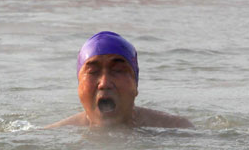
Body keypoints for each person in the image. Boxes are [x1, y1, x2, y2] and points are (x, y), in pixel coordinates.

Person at [47, 31, 193, 129]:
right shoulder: (53, 135)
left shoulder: (178, 129)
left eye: (117, 70)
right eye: (93, 72)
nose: (104, 83)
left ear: (135, 84)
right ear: (79, 86)